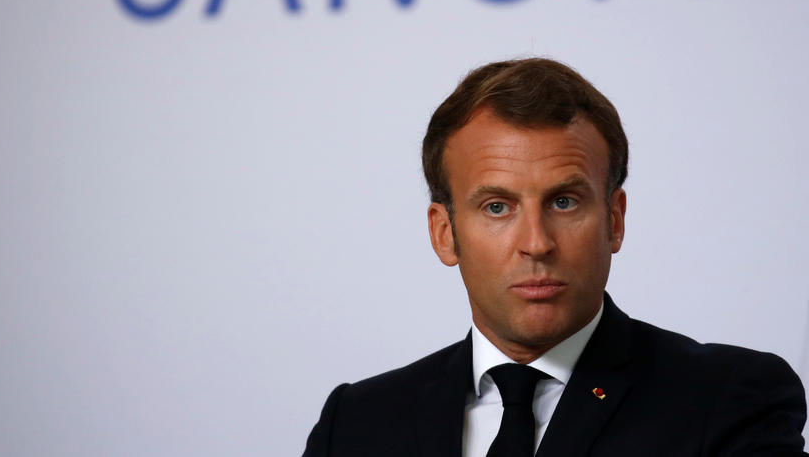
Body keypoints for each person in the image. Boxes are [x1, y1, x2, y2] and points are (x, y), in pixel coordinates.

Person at [302, 58, 808, 456]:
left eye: (564, 202)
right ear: (444, 234)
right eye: (497, 207)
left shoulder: (726, 399)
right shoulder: (356, 423)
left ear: (614, 220)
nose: (537, 243)